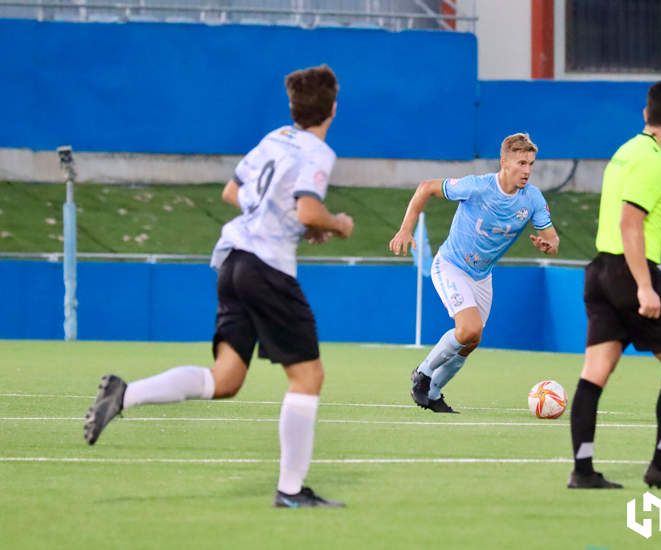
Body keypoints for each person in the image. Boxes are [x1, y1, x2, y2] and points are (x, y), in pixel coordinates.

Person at [83, 64, 354, 508]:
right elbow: (308, 211)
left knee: (225, 379)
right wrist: (337, 224)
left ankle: (124, 394)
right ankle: (290, 491)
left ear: (293, 107)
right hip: (266, 266)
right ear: (333, 109)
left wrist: (289, 218)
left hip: (232, 260)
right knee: (308, 377)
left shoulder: (274, 139)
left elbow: (233, 191)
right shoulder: (318, 153)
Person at [567, 81, 661, 490]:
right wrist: (645, 287)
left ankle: (583, 470)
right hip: (631, 271)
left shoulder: (625, 151)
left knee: (595, 371)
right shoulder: (652, 162)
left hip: (599, 271)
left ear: (646, 115)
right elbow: (631, 222)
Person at [389, 133, 560, 413]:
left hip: (482, 276)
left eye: (531, 164)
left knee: (471, 341)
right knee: (469, 328)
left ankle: (433, 393)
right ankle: (422, 373)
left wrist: (548, 245)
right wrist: (406, 229)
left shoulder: (532, 199)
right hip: (451, 265)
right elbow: (425, 187)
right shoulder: (477, 187)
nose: (527, 170)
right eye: (521, 163)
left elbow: (553, 239)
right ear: (504, 162)